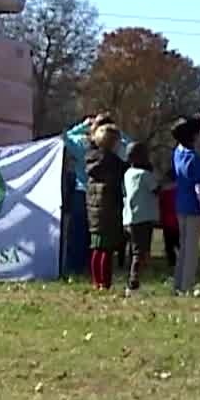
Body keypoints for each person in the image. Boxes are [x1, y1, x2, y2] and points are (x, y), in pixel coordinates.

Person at [170, 116, 200, 295]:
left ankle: (178, 282)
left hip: (180, 204)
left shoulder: (177, 153)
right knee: (192, 249)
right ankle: (187, 285)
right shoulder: (195, 160)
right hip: (194, 208)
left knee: (184, 246)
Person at [84, 124, 126, 291]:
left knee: (96, 248)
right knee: (106, 250)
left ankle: (96, 281)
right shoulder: (113, 162)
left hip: (94, 211)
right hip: (108, 210)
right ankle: (105, 282)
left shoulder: (91, 159)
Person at [122, 142, 158, 294]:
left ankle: (131, 277)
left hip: (129, 217)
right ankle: (133, 282)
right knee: (140, 252)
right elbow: (156, 189)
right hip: (144, 218)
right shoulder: (145, 175)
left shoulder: (127, 174)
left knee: (133, 250)